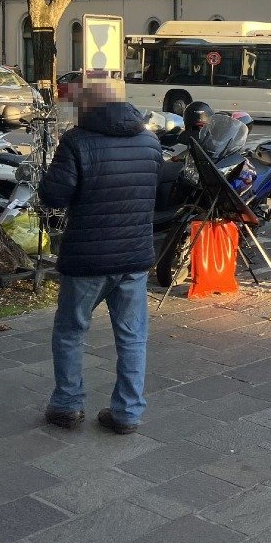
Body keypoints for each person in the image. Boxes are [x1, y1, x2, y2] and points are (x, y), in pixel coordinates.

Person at [38, 80, 163, 434]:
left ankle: (66, 405)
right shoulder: (149, 141)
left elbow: (54, 196)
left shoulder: (77, 141)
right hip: (134, 257)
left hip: (87, 259)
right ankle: (127, 412)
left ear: (86, 107)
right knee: (132, 336)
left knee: (70, 331)